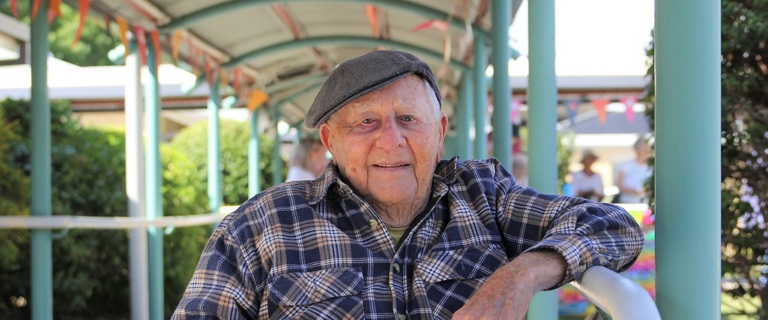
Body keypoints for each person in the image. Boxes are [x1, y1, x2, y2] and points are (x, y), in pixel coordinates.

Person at [172, 50, 644, 319]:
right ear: (329, 140)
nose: (390, 141)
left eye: (407, 119)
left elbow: (614, 226)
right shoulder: (262, 225)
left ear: (439, 133)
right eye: (367, 122)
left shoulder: (483, 195)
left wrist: (519, 276)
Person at [616, 136, 652, 203]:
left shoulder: (651, 167)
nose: (646, 152)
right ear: (637, 150)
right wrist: (633, 192)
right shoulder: (626, 165)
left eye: (647, 150)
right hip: (628, 203)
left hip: (645, 203)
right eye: (644, 150)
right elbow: (619, 185)